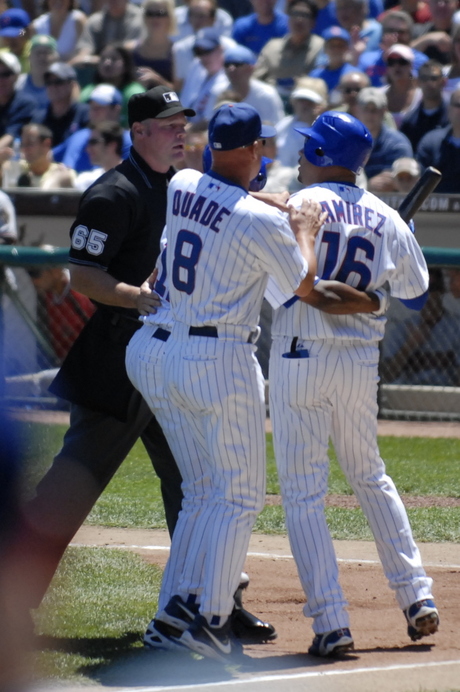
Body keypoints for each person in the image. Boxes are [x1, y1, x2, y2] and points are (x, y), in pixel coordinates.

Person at [8, 86, 270, 645]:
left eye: (182, 122)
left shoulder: (181, 186)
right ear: (138, 132)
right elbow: (83, 275)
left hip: (169, 364)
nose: (180, 130)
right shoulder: (113, 192)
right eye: (167, 122)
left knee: (195, 487)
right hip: (115, 367)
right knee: (66, 494)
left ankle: (215, 603)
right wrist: (135, 295)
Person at [134, 102, 323, 660]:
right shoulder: (260, 219)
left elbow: (229, 198)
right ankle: (212, 620)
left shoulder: (183, 180)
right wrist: (305, 230)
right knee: (237, 496)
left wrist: (269, 204)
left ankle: (174, 616)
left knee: (202, 492)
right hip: (214, 358)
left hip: (154, 348)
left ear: (211, 145)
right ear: (254, 150)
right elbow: (304, 288)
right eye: (260, 144)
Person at [268, 110, 439, 658]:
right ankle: (417, 596)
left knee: (303, 493)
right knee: (370, 475)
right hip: (361, 361)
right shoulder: (386, 214)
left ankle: (332, 621)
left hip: (299, 354)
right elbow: (414, 294)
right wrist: (401, 238)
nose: (299, 156)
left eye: (307, 148)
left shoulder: (296, 207)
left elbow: (285, 286)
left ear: (322, 155)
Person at [381, 267, 460, 386]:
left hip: (446, 394)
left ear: (442, 292)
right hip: (407, 394)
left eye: (433, 292)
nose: (428, 298)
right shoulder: (403, 329)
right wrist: (409, 345)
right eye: (422, 293)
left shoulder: (455, 327)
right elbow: (387, 375)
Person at [27, 248, 96, 364]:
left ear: (56, 271)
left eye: (36, 273)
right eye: (30, 274)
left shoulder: (82, 292)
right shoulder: (48, 297)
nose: (34, 281)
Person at [253, 0, 324, 105]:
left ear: (313, 22)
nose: (299, 19)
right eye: (295, 14)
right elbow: (257, 78)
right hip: (273, 102)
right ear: (288, 19)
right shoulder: (272, 47)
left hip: (306, 104)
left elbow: (321, 80)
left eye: (304, 15)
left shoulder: (321, 47)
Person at [52, 83, 131, 174]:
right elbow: (49, 157)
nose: (94, 112)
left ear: (116, 110)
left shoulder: (129, 141)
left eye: (99, 108)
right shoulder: (78, 136)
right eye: (92, 107)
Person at [172, 0, 237, 94]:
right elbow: (179, 86)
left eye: (201, 16)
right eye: (192, 15)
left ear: (213, 19)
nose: (196, 20)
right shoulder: (180, 49)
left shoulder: (230, 46)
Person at [356, 86, 413, 191]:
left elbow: (406, 181)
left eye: (374, 110)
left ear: (384, 111)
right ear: (357, 110)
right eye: (366, 109)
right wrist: (367, 186)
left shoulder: (398, 143)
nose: (370, 115)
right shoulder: (348, 142)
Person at [79, 43, 145, 128]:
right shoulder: (88, 92)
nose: (107, 63)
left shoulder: (135, 94)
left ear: (125, 65)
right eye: (103, 59)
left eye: (114, 59)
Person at [358, 10, 428, 86]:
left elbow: (419, 85)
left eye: (401, 32)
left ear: (410, 35)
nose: (395, 36)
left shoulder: (421, 60)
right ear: (382, 34)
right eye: (390, 31)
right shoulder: (366, 60)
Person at [221, 43, 285, 124]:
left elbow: (275, 128)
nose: (231, 69)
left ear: (251, 68)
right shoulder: (219, 92)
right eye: (227, 64)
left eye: (237, 64)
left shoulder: (266, 95)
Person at [72, 0, 144, 67]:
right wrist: (88, 58)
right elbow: (84, 52)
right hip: (98, 70)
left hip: (128, 70)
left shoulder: (139, 19)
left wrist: (104, 59)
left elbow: (128, 52)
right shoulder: (95, 20)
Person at [179, 28, 229, 124]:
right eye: (199, 52)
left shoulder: (227, 78)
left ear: (220, 49)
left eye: (207, 51)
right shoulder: (196, 66)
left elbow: (210, 121)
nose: (203, 57)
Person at [416, 84, 460, 191]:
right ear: (449, 108)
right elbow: (420, 182)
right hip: (435, 206)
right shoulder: (430, 142)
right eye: (458, 105)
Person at [35, 61, 90, 147]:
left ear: (72, 85)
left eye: (58, 82)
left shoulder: (85, 114)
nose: (53, 87)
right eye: (49, 83)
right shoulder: (39, 119)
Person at [126, 0, 176, 91]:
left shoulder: (177, 52)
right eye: (150, 14)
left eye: (160, 13)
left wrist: (157, 80)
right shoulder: (130, 49)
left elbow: (180, 92)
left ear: (170, 17)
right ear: (144, 17)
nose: (155, 18)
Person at [400, 59, 449, 150]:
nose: (429, 83)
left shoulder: (453, 116)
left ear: (443, 82)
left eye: (434, 78)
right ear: (417, 82)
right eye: (424, 78)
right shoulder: (409, 120)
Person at [0, 52, 37, 166]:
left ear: (16, 76)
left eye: (5, 74)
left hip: (14, 161)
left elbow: (11, 136)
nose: (1, 80)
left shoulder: (25, 104)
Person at [18, 123, 76, 188]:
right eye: (23, 144)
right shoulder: (17, 170)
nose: (24, 149)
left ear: (46, 144)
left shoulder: (63, 173)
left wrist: (57, 179)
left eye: (30, 144)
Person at [380, 43, 422, 127]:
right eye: (391, 62)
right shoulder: (379, 95)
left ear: (411, 65)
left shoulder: (422, 96)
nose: (397, 66)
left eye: (402, 62)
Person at [310, 26, 356, 102]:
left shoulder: (353, 74)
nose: (336, 49)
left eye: (340, 46)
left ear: (347, 48)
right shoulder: (315, 75)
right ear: (324, 49)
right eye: (332, 46)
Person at [74, 120, 124, 190]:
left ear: (112, 145)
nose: (88, 149)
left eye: (93, 142)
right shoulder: (87, 180)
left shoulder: (132, 177)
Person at [15, 34, 59, 110]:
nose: (42, 57)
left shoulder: (62, 84)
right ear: (29, 57)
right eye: (38, 53)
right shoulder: (18, 83)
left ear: (56, 58)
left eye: (46, 53)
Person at [0, 7, 32, 72]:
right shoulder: (1, 56)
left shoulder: (37, 53)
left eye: (16, 34)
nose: (11, 40)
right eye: (7, 35)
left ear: (27, 31)